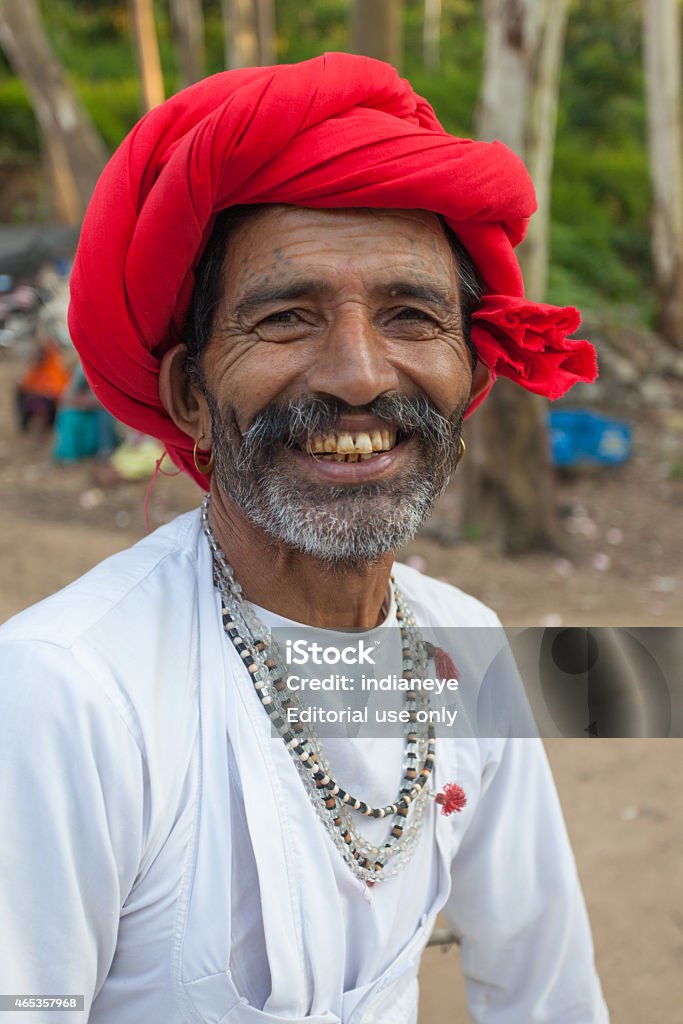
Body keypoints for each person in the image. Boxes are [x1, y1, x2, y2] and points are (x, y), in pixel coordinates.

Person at [0, 54, 608, 1023]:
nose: (360, 374)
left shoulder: (467, 653)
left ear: (467, 368)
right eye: (286, 317)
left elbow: (546, 994)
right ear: (190, 397)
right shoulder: (68, 694)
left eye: (411, 314)